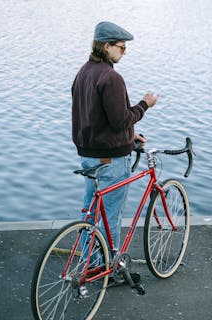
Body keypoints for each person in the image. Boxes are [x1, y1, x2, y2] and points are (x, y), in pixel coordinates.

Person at [71, 21, 158, 253]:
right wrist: (144, 105)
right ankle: (107, 268)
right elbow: (120, 121)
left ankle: (87, 261)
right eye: (121, 46)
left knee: (90, 212)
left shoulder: (83, 72)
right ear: (107, 46)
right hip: (111, 161)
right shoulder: (111, 78)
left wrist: (130, 138)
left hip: (88, 156)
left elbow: (96, 118)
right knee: (110, 216)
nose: (124, 51)